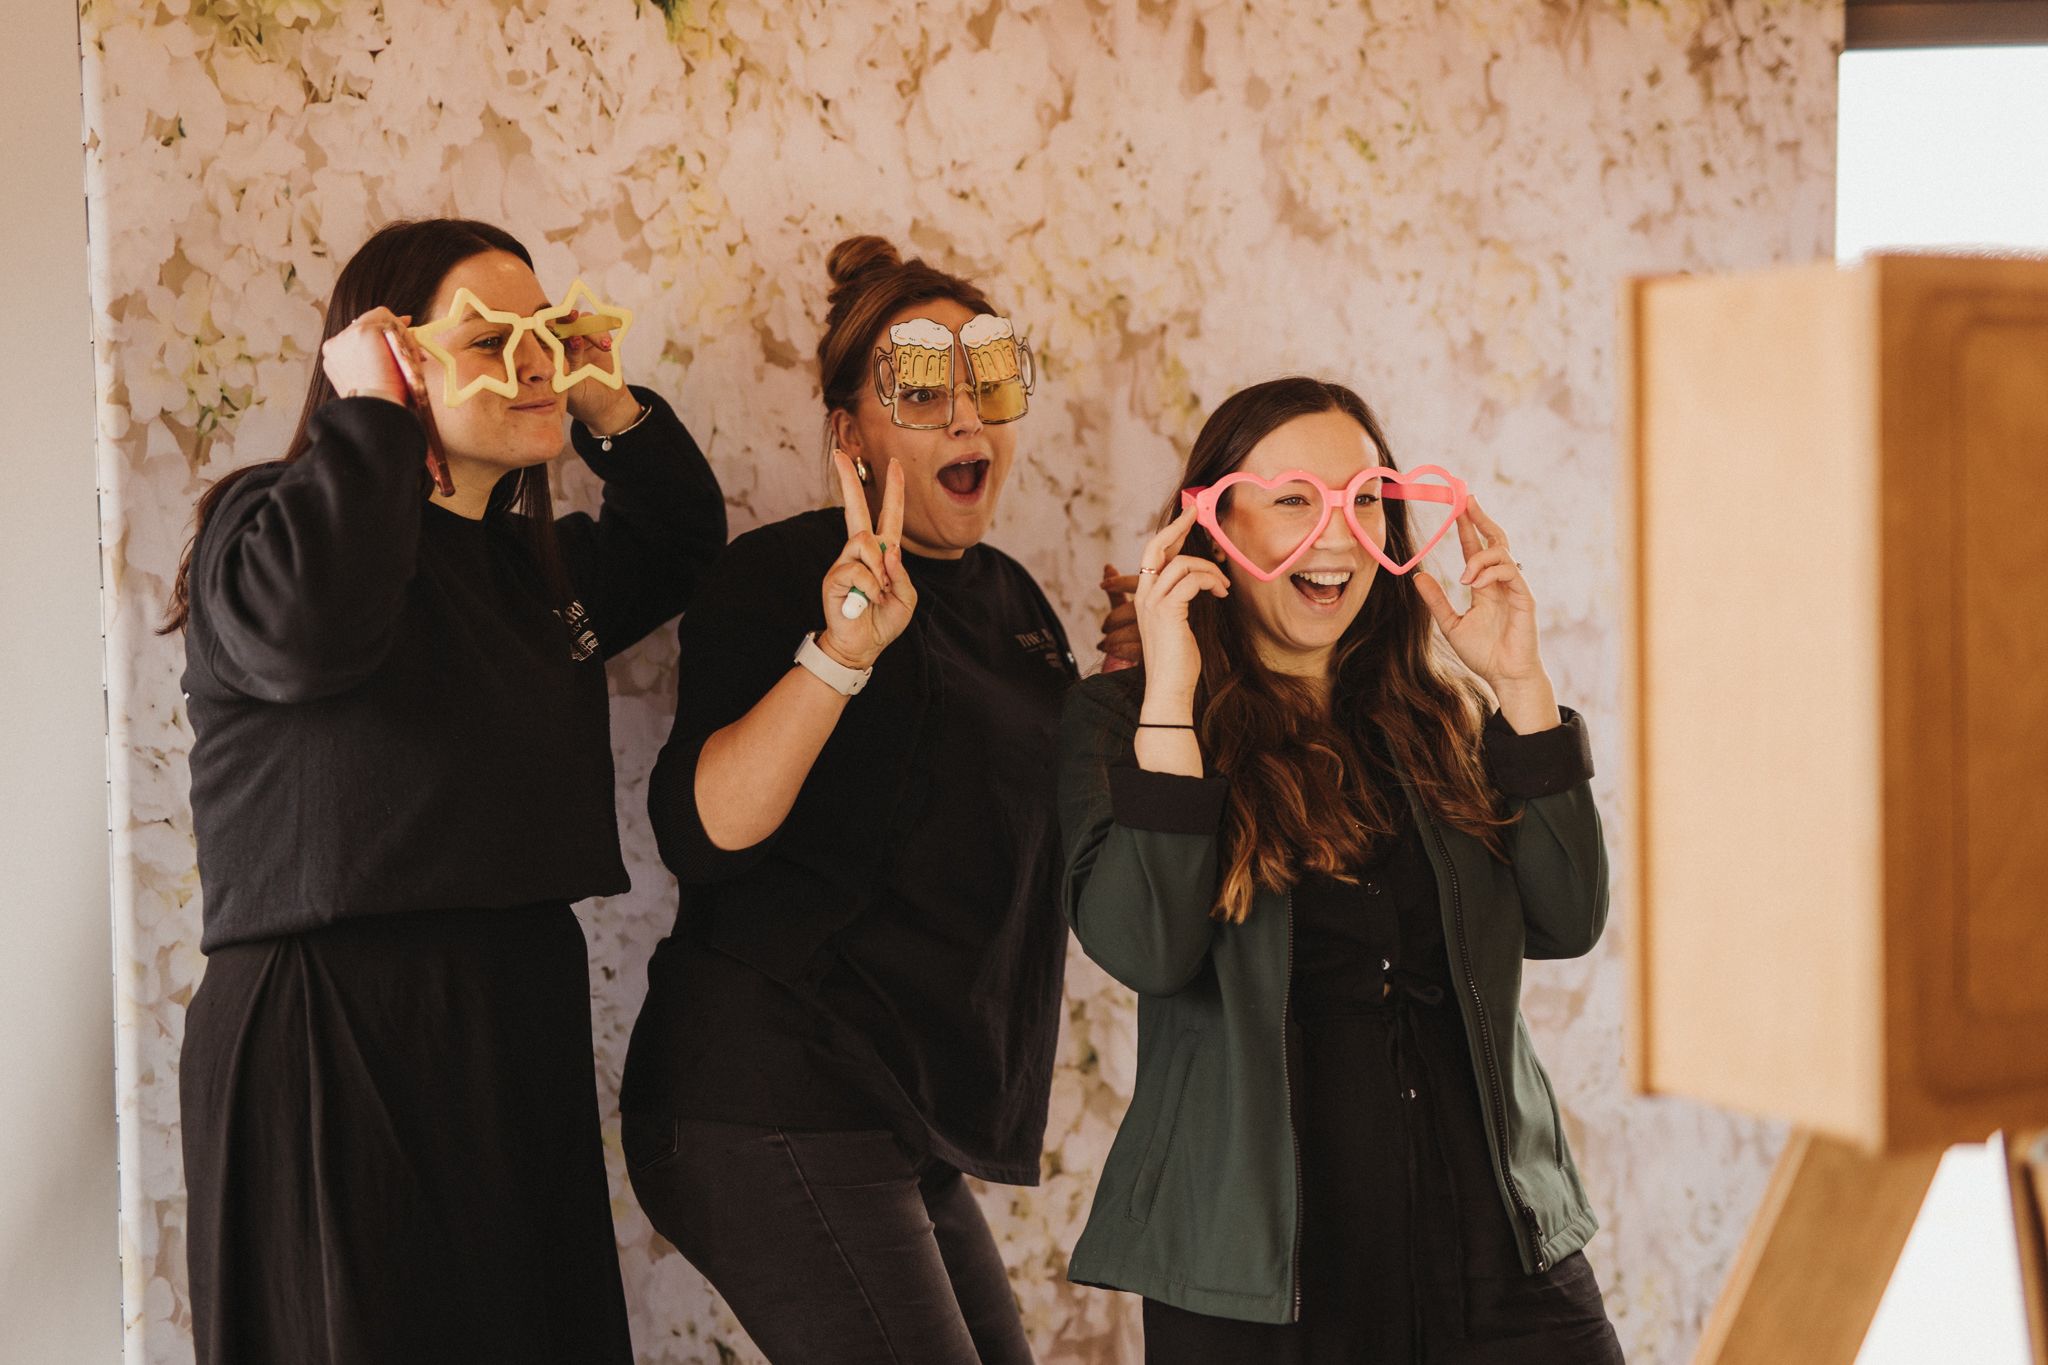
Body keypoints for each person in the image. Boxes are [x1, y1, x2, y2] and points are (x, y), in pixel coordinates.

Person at [167, 216, 726, 1365]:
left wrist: (606, 400)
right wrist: (367, 417)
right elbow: (304, 642)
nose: (533, 362)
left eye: (550, 332)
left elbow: (677, 540)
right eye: (490, 338)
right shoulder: (267, 520)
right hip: (333, 1013)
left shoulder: (534, 573)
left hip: (511, 1002)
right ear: (391, 357)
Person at [621, 236, 1122, 1364]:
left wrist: (1137, 694)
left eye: (986, 387)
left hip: (899, 1109)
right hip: (764, 1091)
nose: (966, 422)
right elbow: (700, 832)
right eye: (920, 394)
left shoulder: (1011, 599)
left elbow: (1040, 832)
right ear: (849, 433)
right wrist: (842, 651)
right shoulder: (781, 573)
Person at [1058, 377, 1626, 1362]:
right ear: (1211, 522)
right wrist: (1170, 695)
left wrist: (1520, 687)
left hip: (1495, 1257)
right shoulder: (1126, 724)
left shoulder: (1438, 718)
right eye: (1291, 499)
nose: (1333, 532)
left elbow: (1566, 918)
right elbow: (1147, 947)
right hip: (1263, 1288)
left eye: (1361, 498)